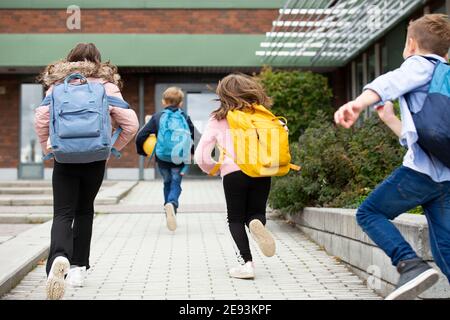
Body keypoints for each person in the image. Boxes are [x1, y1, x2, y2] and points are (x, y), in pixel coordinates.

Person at [334, 14, 450, 300]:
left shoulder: (418, 65)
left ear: (411, 43)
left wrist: (358, 103)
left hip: (420, 174)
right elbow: (427, 136)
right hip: (445, 178)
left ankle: (409, 264)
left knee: (369, 212)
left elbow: (391, 81)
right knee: (445, 247)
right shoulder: (444, 74)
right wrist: (389, 120)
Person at [35, 43, 139, 300]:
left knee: (62, 212)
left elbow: (41, 119)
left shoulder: (58, 85)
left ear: (69, 60)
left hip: (64, 157)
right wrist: (112, 149)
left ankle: (59, 258)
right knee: (84, 211)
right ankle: (79, 268)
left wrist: (48, 149)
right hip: (95, 159)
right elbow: (131, 124)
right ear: (98, 61)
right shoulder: (106, 85)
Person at [194, 74, 277, 280]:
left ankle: (247, 264)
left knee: (236, 218)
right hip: (262, 171)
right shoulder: (263, 115)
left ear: (223, 94)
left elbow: (202, 154)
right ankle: (257, 223)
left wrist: (213, 169)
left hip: (233, 172)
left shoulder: (219, 118)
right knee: (256, 211)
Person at [136, 87, 194, 231]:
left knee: (166, 182)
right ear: (181, 103)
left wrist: (142, 152)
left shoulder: (157, 117)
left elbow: (141, 136)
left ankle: (167, 207)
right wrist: (190, 153)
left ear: (163, 102)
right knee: (176, 183)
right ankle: (172, 204)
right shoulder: (185, 117)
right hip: (179, 158)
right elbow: (191, 137)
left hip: (162, 158)